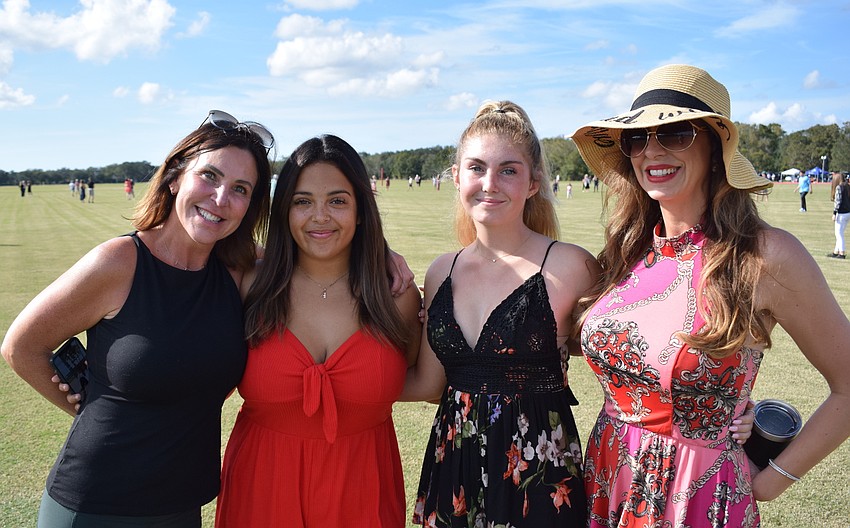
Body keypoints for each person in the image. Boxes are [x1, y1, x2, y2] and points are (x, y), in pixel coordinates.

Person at [571, 64, 850, 527]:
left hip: (698, 499)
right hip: (607, 482)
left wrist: (773, 479)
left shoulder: (764, 255)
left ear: (716, 147)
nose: (651, 150)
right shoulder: (626, 251)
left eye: (674, 133)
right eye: (637, 138)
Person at [1, 109, 276, 527]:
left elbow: (313, 266)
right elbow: (21, 347)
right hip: (95, 505)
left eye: (240, 189)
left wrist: (375, 255)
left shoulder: (237, 272)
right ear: (175, 176)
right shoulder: (120, 262)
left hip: (182, 505)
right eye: (210, 176)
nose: (221, 198)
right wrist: (83, 406)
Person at [401, 101, 595, 526]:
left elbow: (628, 358)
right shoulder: (441, 271)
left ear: (533, 182)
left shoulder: (571, 266)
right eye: (476, 168)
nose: (490, 183)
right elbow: (429, 383)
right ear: (456, 177)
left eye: (508, 170)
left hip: (538, 478)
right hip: (455, 469)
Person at [215, 134, 422, 527]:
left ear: (360, 210)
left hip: (364, 493)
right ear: (284, 211)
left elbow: (422, 379)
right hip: (261, 490)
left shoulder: (397, 296)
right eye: (303, 201)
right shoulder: (248, 286)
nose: (320, 216)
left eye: (338, 201)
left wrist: (381, 253)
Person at [828, 171, 850, 259]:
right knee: (840, 232)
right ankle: (836, 251)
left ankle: (841, 253)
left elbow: (838, 201)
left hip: (841, 213)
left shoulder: (839, 187)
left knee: (839, 234)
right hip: (848, 212)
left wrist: (834, 213)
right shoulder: (847, 186)